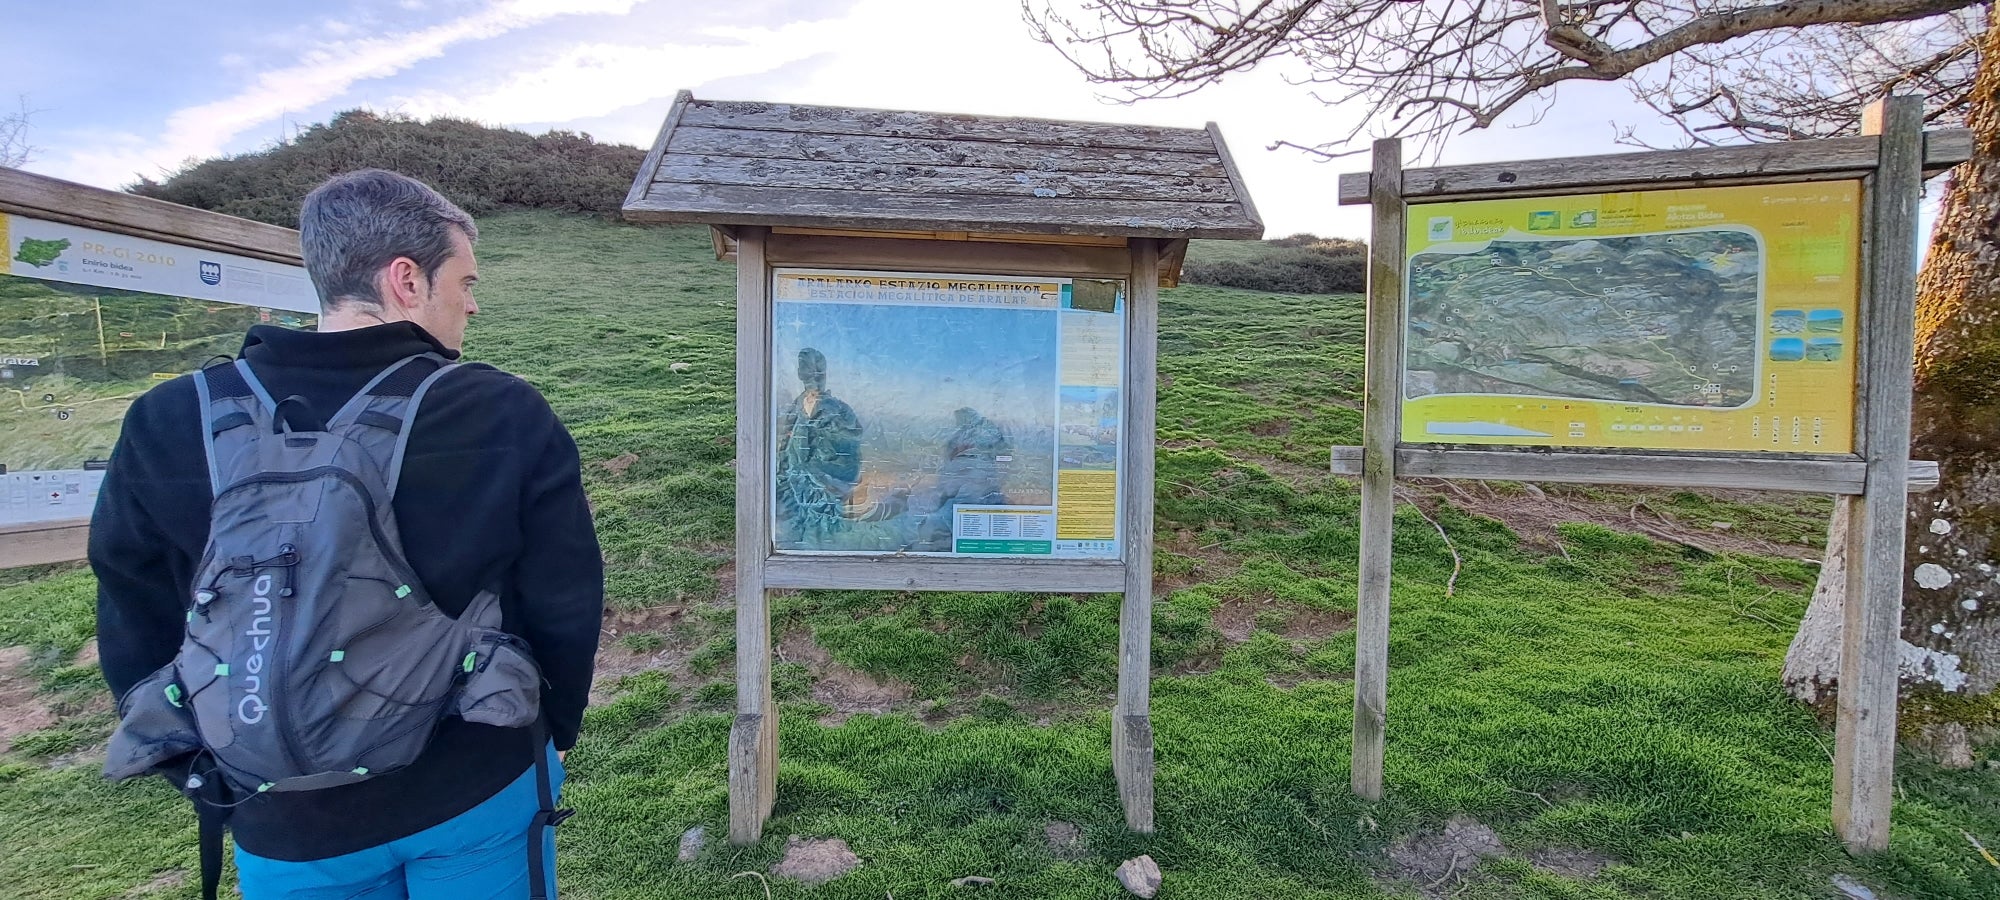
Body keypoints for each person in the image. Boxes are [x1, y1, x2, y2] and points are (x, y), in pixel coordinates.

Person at [90, 169, 603, 899]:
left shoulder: (168, 418)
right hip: (472, 781)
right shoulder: (497, 410)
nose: (472, 303)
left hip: (282, 817)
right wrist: (549, 733)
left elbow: (134, 613)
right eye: (463, 281)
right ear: (406, 280)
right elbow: (564, 599)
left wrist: (213, 766)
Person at [774, 347, 862, 546]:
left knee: (823, 539)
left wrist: (823, 474)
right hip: (792, 491)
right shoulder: (795, 406)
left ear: (823, 372)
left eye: (814, 369)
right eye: (803, 368)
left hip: (824, 492)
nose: (808, 374)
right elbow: (785, 443)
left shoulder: (839, 410)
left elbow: (851, 452)